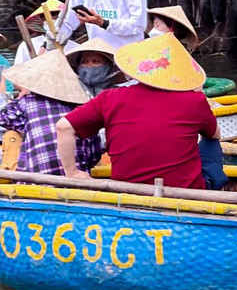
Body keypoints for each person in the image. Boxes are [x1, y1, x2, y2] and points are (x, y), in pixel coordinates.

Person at [56, 33, 218, 188]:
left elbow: (63, 126)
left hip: (127, 192)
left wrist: (72, 173)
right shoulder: (194, 100)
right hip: (186, 194)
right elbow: (215, 135)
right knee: (211, 143)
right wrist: (198, 93)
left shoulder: (110, 98)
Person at [0, 50, 102, 175]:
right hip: (78, 179)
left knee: (11, 134)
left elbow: (4, 118)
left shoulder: (28, 101)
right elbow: (95, 154)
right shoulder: (83, 107)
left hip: (36, 181)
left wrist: (20, 98)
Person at [13, 0, 64, 65]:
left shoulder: (75, 47)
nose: (52, 19)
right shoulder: (27, 46)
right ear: (41, 20)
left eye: (56, 15)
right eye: (44, 16)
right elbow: (17, 71)